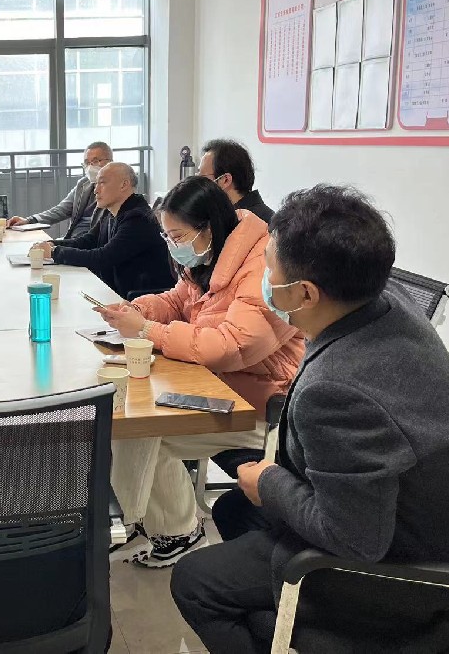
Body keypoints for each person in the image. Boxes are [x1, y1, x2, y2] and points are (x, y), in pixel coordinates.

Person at [171, 186, 449, 653]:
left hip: (410, 579)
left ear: (306, 293)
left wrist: (270, 482)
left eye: (268, 268)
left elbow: (355, 540)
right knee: (232, 510)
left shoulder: (338, 391)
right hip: (429, 529)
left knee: (196, 581)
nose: (263, 279)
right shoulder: (386, 303)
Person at [95, 176, 304, 568]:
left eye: (177, 236)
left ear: (208, 227)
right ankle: (147, 522)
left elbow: (230, 346)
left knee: (144, 431)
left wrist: (147, 331)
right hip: (221, 388)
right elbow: (178, 300)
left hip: (261, 406)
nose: (172, 245)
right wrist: (138, 310)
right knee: (133, 421)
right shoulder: (213, 255)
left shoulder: (261, 267)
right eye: (168, 236)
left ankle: (169, 530)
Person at [31, 162, 173, 299]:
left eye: (102, 183)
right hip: (116, 292)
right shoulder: (110, 212)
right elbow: (88, 241)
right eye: (96, 184)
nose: (96, 190)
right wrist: (51, 244)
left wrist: (54, 252)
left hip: (140, 299)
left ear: (124, 185)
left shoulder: (138, 218)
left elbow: (103, 257)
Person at [8, 142, 112, 238]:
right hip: (74, 238)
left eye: (95, 161)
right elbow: (61, 210)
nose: (90, 167)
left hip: (93, 241)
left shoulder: (116, 189)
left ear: (110, 161)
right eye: (87, 163)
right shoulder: (83, 184)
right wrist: (29, 220)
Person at [199, 139, 274, 225]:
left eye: (202, 177)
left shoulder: (255, 223)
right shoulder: (225, 215)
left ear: (226, 180)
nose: (197, 183)